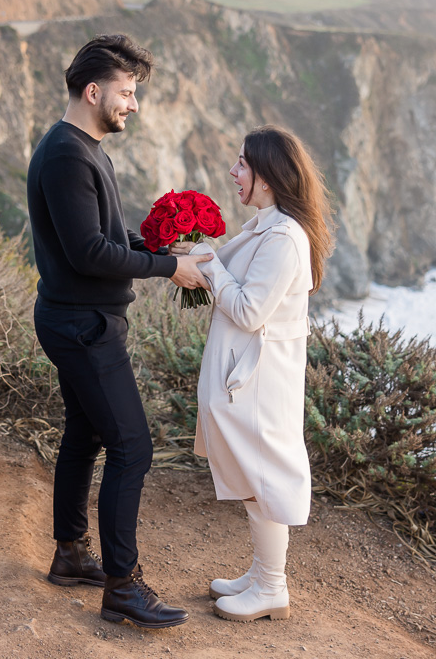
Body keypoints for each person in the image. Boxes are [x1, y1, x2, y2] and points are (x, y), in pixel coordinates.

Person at [27, 34, 212, 629]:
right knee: (132, 447)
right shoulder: (66, 155)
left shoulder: (85, 147)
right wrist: (168, 268)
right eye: (127, 93)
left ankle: (71, 553)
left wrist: (159, 246)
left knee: (85, 435)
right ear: (93, 90)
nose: (133, 104)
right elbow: (86, 253)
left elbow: (105, 235)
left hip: (80, 317)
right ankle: (122, 587)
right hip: (82, 324)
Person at [172, 125, 333, 622]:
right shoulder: (267, 224)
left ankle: (271, 587)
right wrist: (195, 255)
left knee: (263, 476)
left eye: (242, 163)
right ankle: (263, 573)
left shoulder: (284, 236)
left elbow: (247, 310)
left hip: (259, 382)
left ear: (267, 177)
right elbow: (235, 282)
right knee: (252, 473)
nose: (233, 171)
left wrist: (210, 267)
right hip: (249, 376)